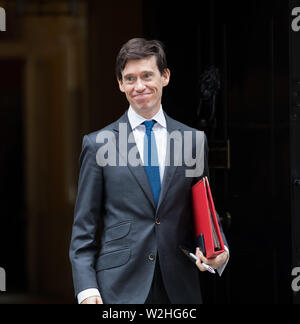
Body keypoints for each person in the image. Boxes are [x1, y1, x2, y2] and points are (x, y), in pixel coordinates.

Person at [69, 38, 229, 304]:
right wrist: (87, 290)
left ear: (165, 76)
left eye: (147, 75)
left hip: (179, 286)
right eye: (130, 78)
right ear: (120, 84)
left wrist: (218, 250)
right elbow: (83, 229)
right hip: (118, 290)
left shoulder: (193, 141)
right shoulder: (97, 145)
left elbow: (204, 210)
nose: (139, 86)